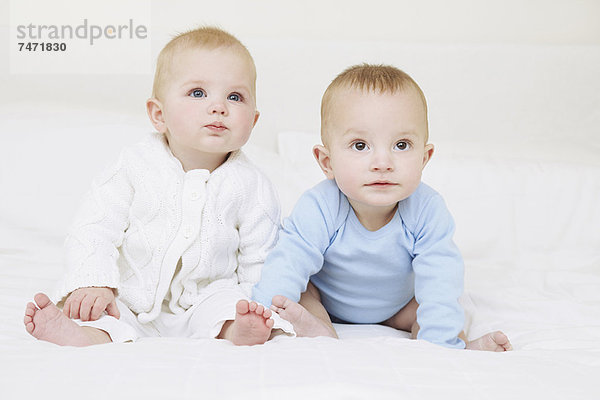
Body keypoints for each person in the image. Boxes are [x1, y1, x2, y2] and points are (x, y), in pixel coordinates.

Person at [24, 26, 293, 346]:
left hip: (206, 299)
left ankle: (239, 330)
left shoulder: (253, 186)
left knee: (228, 307)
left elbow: (260, 258)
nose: (219, 106)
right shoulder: (133, 165)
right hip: (130, 294)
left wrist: (257, 305)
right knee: (107, 312)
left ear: (253, 120)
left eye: (235, 97)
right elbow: (94, 227)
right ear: (158, 114)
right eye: (198, 93)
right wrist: (94, 281)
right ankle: (81, 333)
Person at [253, 64, 512, 351]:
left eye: (401, 145)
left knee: (442, 304)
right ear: (327, 162)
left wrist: (441, 344)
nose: (382, 163)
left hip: (398, 307)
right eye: (360, 145)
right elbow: (289, 261)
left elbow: (440, 276)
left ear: (424, 158)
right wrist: (262, 315)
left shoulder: (427, 210)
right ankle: (320, 329)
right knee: (299, 295)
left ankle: (456, 345)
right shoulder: (319, 206)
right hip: (328, 301)